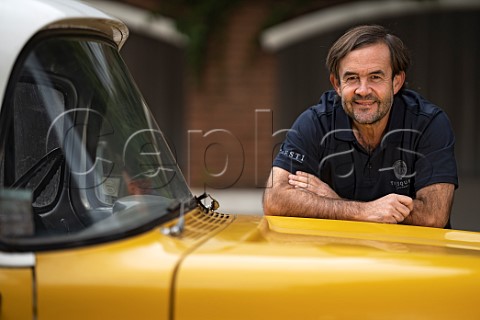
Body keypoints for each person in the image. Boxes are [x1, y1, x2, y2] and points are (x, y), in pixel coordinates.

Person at [262, 25, 458, 228]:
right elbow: (275, 200)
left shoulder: (429, 123)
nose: (363, 90)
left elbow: (433, 216)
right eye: (352, 78)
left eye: (375, 77)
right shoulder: (315, 122)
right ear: (337, 84)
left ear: (396, 82)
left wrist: (336, 203)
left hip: (409, 255)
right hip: (340, 255)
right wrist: (365, 211)